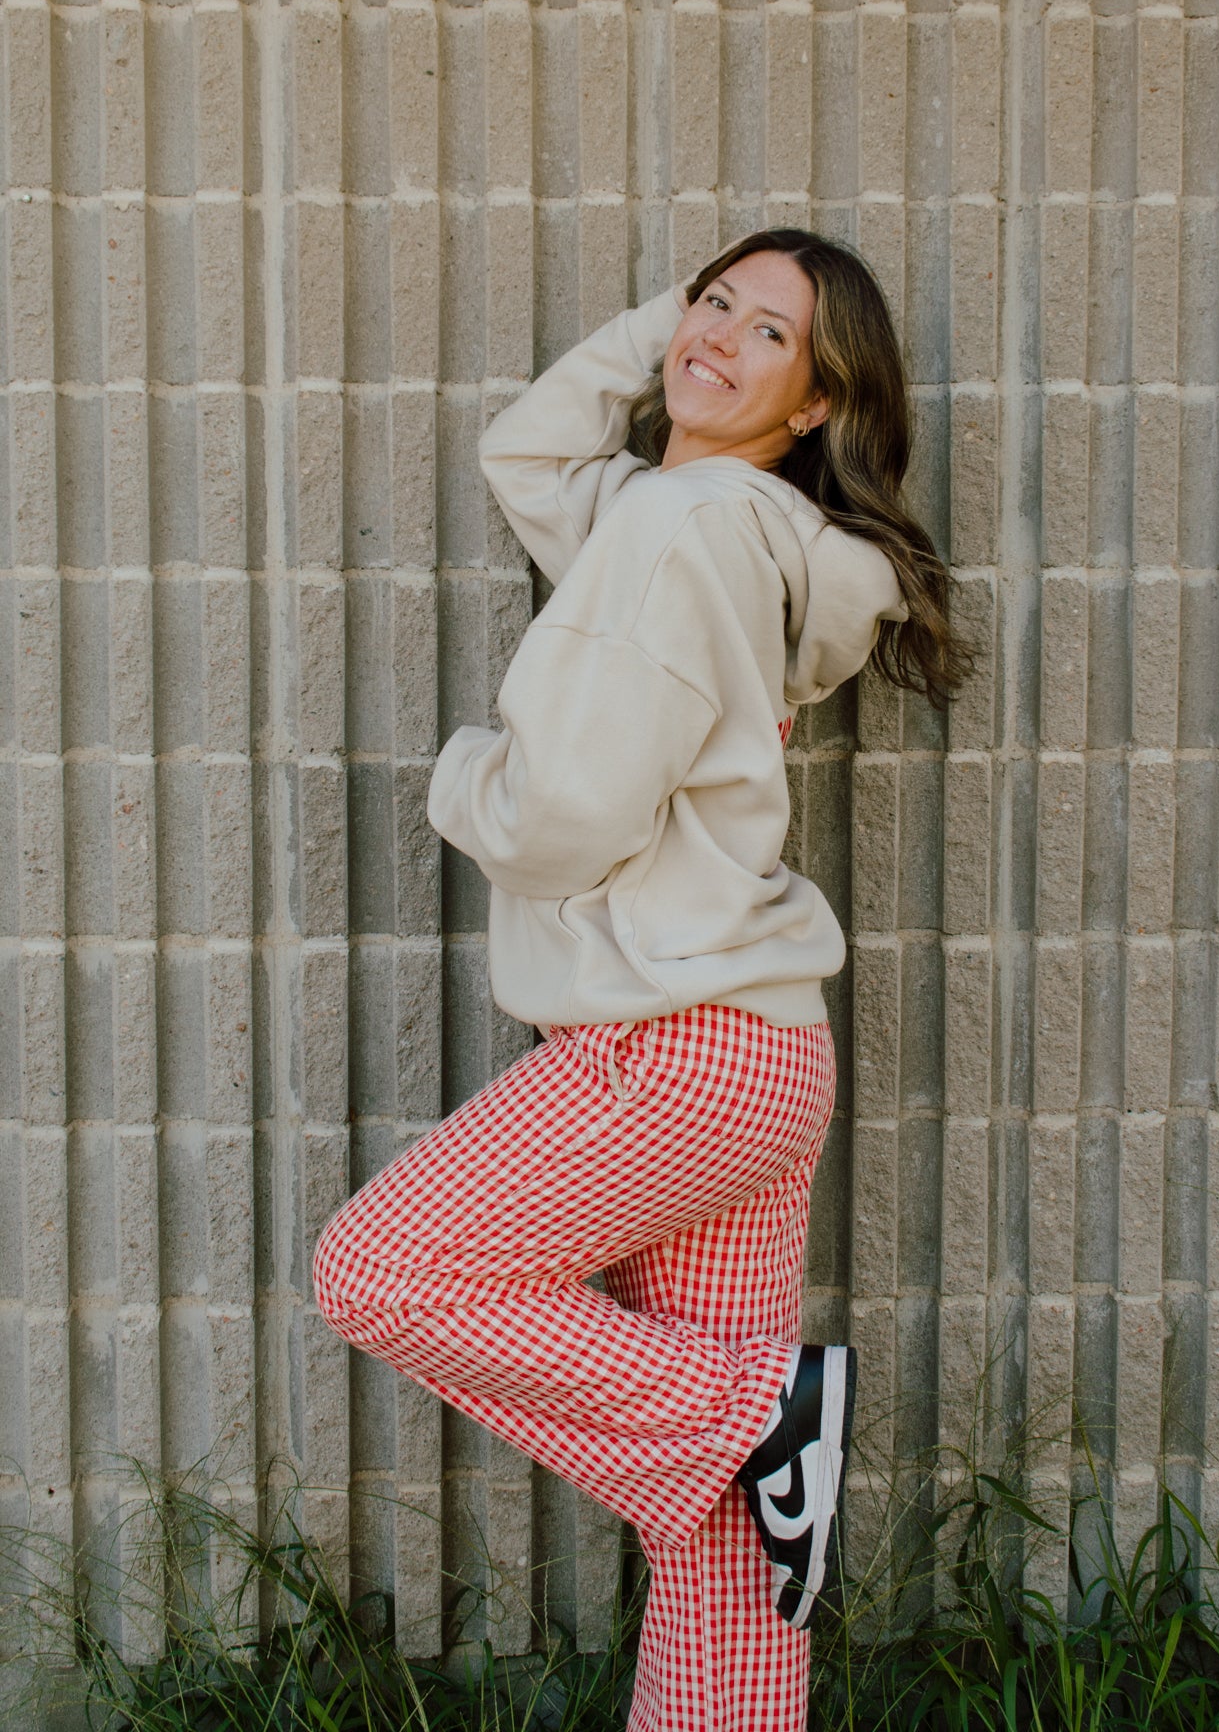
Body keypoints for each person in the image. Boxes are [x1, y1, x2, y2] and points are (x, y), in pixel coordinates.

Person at [312, 228, 970, 1732]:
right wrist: (672, 336)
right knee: (731, 1547)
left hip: (668, 1054)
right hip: (758, 1060)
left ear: (817, 404)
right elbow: (534, 455)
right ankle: (758, 1443)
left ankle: (759, 1415)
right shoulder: (720, 535)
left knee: (384, 1270)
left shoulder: (675, 538)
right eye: (711, 306)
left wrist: (460, 778)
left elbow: (565, 819)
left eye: (770, 337)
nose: (720, 338)